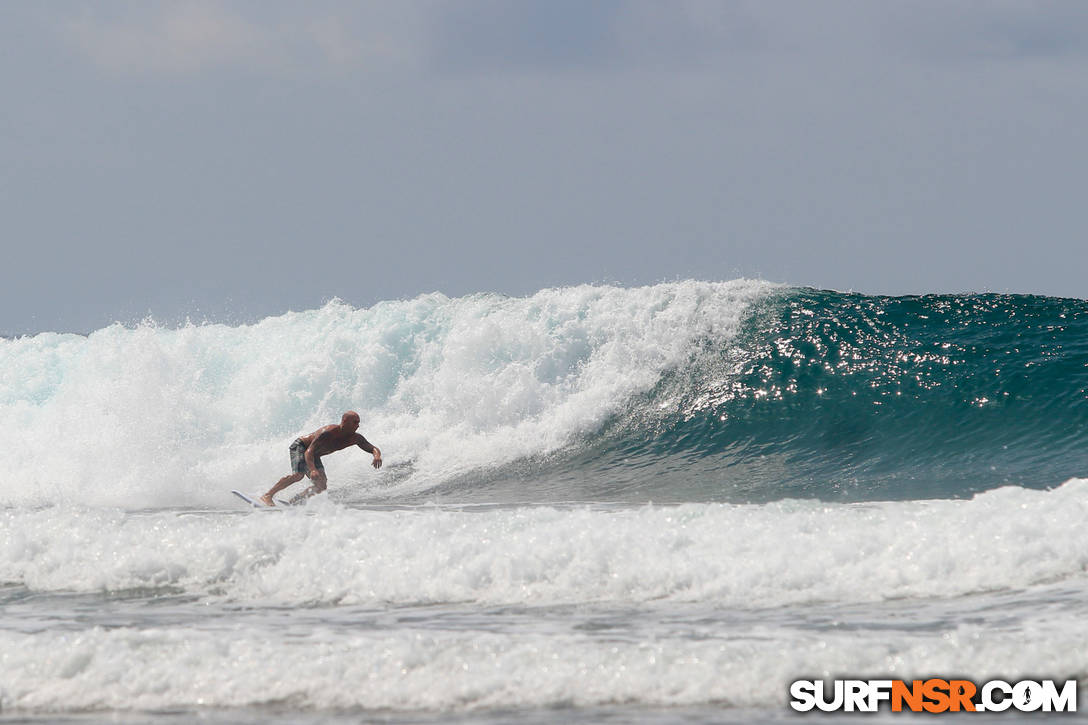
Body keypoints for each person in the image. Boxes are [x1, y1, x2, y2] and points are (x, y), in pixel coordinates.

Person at [260, 411, 382, 506]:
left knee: (321, 486)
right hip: (301, 446)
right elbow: (309, 451)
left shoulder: (355, 438)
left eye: (358, 422)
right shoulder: (328, 432)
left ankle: (294, 501)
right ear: (344, 421)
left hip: (314, 455)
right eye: (355, 422)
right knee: (298, 475)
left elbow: (372, 448)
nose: (358, 425)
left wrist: (376, 456)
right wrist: (312, 469)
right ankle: (268, 495)